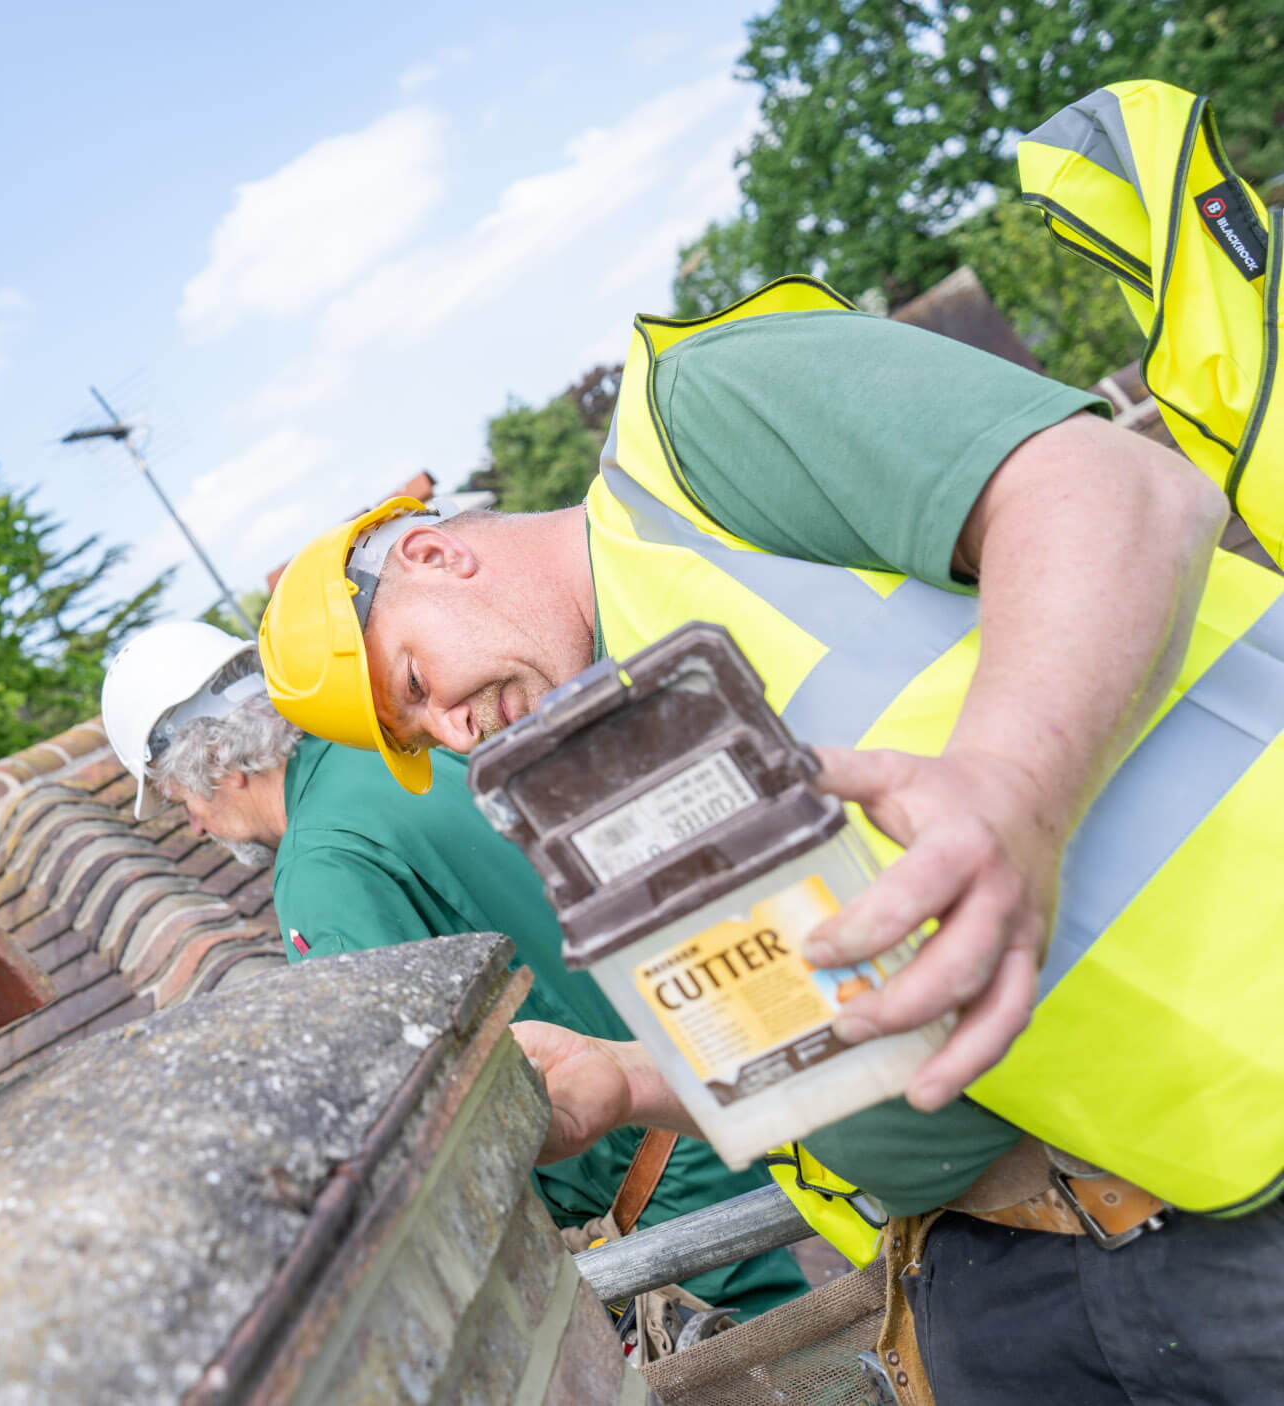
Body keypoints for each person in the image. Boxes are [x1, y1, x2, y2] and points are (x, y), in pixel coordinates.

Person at [258, 285, 1284, 1403]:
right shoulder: (611, 752)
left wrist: (1012, 787)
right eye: (418, 737)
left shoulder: (693, 430)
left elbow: (1120, 492)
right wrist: (634, 1078)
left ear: (438, 558)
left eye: (413, 681)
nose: (454, 730)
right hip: (1027, 1258)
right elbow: (844, 1051)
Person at [100, 619, 808, 1322]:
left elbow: (403, 1101)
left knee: (793, 1364)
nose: (191, 821)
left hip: (648, 1176)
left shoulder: (319, 868)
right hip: (682, 1085)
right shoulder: (395, 755)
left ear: (222, 759)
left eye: (177, 795)